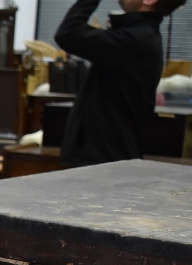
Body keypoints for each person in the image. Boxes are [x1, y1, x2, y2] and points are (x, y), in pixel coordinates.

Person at [54, 0, 187, 167]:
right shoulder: (136, 36)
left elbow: (68, 33)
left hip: (104, 164)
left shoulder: (137, 40)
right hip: (103, 159)